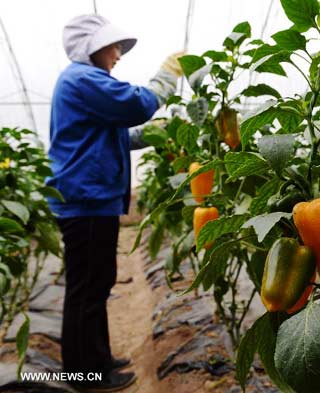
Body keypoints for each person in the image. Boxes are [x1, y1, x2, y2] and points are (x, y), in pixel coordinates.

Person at [46, 14, 183, 391]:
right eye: (114, 46)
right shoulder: (83, 78)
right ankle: (86, 374)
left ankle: (97, 359)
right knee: (88, 288)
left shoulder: (83, 84)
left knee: (94, 284)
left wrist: (148, 136)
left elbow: (115, 137)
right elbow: (137, 104)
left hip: (91, 199)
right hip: (86, 200)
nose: (119, 53)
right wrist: (167, 76)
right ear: (93, 46)